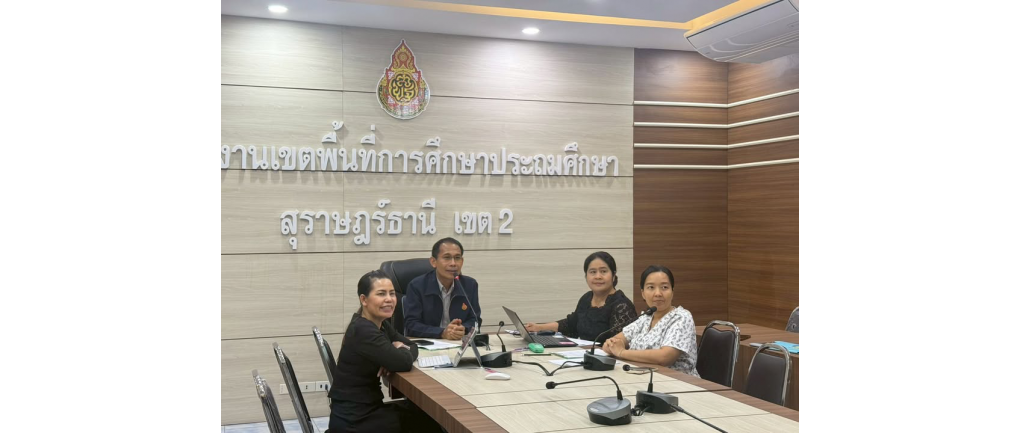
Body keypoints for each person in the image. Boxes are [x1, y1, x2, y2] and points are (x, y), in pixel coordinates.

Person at [326, 270, 441, 433]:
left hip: (364, 411)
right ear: (364, 300)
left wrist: (397, 351)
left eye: (392, 293)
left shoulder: (380, 324)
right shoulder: (363, 330)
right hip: (355, 420)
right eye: (381, 294)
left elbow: (412, 345)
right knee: (431, 421)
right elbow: (403, 362)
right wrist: (396, 352)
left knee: (424, 415)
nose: (389, 299)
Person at [601, 265, 700, 376]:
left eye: (664, 287)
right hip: (642, 378)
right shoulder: (645, 317)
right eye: (651, 287)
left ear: (672, 292)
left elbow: (665, 357)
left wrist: (622, 352)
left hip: (679, 381)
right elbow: (611, 343)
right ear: (643, 293)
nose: (658, 293)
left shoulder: (681, 317)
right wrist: (611, 345)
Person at [525, 251, 638, 343]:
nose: (598, 276)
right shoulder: (587, 298)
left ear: (613, 275)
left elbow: (621, 344)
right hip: (584, 355)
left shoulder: (622, 306)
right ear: (586, 276)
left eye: (603, 271)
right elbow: (570, 324)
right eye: (592, 272)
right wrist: (538, 327)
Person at [402, 237, 481, 339]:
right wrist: (442, 333)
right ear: (433, 262)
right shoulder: (417, 286)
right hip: (430, 342)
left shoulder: (470, 285)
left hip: (458, 342)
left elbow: (475, 320)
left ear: (462, 261)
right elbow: (411, 325)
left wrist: (462, 329)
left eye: (457, 258)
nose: (453, 263)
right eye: (447, 257)